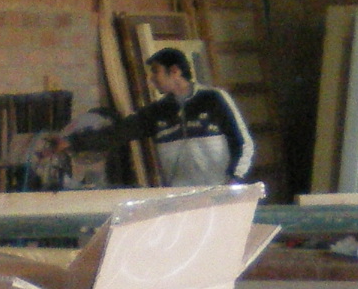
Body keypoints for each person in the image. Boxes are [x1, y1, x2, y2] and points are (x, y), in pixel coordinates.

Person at [77, 47, 256, 187]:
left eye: (156, 71)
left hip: (219, 192)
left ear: (175, 71)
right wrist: (72, 142)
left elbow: (243, 143)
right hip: (180, 196)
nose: (152, 78)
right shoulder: (158, 111)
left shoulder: (214, 99)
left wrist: (235, 179)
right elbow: (119, 132)